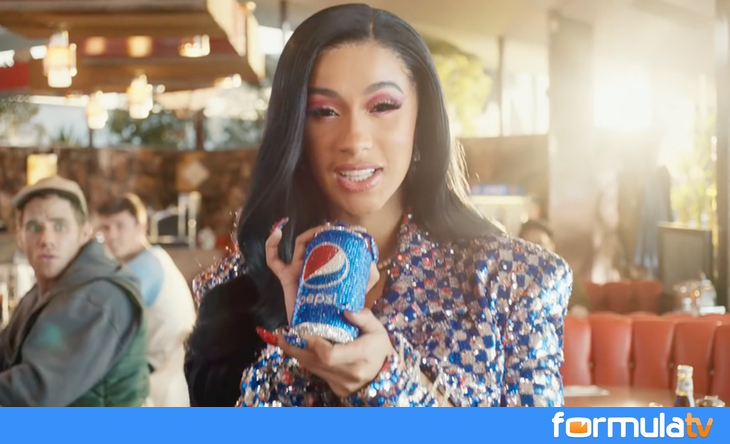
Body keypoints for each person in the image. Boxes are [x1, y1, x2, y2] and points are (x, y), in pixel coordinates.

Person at [186, 3, 572, 407]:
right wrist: (300, 352)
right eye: (324, 112)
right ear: (295, 128)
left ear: (421, 119)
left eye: (382, 107)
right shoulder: (235, 289)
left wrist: (384, 381)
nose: (355, 139)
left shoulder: (513, 281)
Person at [0, 176, 148, 406]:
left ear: (84, 233)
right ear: (20, 236)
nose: (46, 239)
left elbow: (31, 395)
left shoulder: (98, 297)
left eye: (60, 226)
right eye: (34, 227)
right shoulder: (45, 289)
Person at [98, 193, 197, 407]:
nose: (112, 235)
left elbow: (106, 319)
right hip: (168, 370)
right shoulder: (152, 258)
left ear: (141, 227)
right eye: (106, 228)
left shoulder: (145, 267)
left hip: (164, 377)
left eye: (120, 226)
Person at [519, 219, 589, 316]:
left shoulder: (567, 276)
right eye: (528, 245)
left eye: (540, 244)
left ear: (552, 246)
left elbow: (583, 308)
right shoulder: (513, 277)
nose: (535, 250)